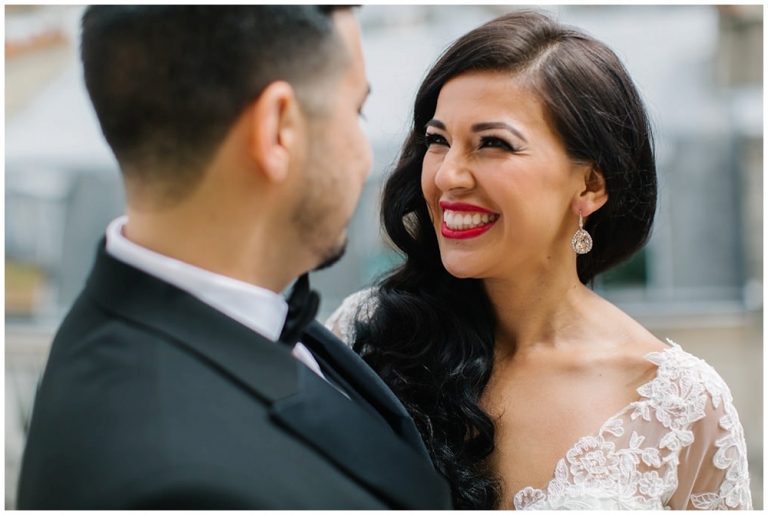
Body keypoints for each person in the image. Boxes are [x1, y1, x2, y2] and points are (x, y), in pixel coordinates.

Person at [17, 6, 451, 509]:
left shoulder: (221, 316)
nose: (365, 153)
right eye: (356, 111)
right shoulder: (172, 483)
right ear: (278, 130)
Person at [327, 10, 752, 510]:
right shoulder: (367, 336)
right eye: (438, 141)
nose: (447, 177)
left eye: (493, 144)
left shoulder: (682, 405)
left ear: (591, 185)